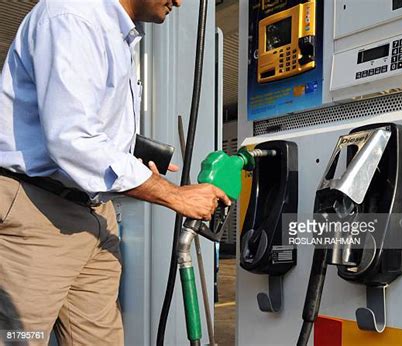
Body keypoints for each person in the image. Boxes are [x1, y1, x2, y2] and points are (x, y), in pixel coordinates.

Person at [0, 0, 230, 344]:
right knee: (19, 336)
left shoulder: (120, 35)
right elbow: (72, 139)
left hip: (94, 214)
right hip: (37, 211)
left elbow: (85, 121)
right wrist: (172, 194)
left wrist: (132, 152)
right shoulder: (74, 16)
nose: (179, 2)